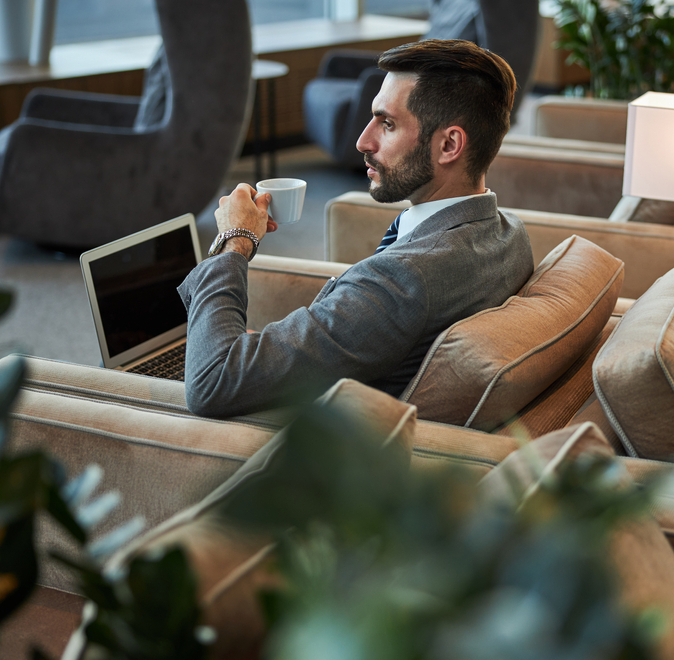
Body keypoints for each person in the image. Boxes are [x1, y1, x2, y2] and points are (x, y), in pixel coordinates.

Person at [178, 39, 534, 418]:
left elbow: (211, 382)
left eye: (388, 124)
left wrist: (236, 240)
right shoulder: (509, 234)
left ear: (449, 144)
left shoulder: (404, 281)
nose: (363, 141)